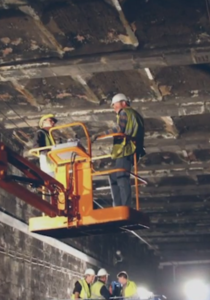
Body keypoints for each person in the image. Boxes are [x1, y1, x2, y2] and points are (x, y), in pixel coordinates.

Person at [91, 93, 145, 207]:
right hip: (132, 149)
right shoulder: (136, 115)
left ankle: (123, 206)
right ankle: (118, 205)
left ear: (124, 103)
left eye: (115, 105)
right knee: (114, 176)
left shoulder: (125, 112)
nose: (114, 108)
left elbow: (120, 128)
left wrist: (98, 135)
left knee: (121, 177)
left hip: (125, 149)